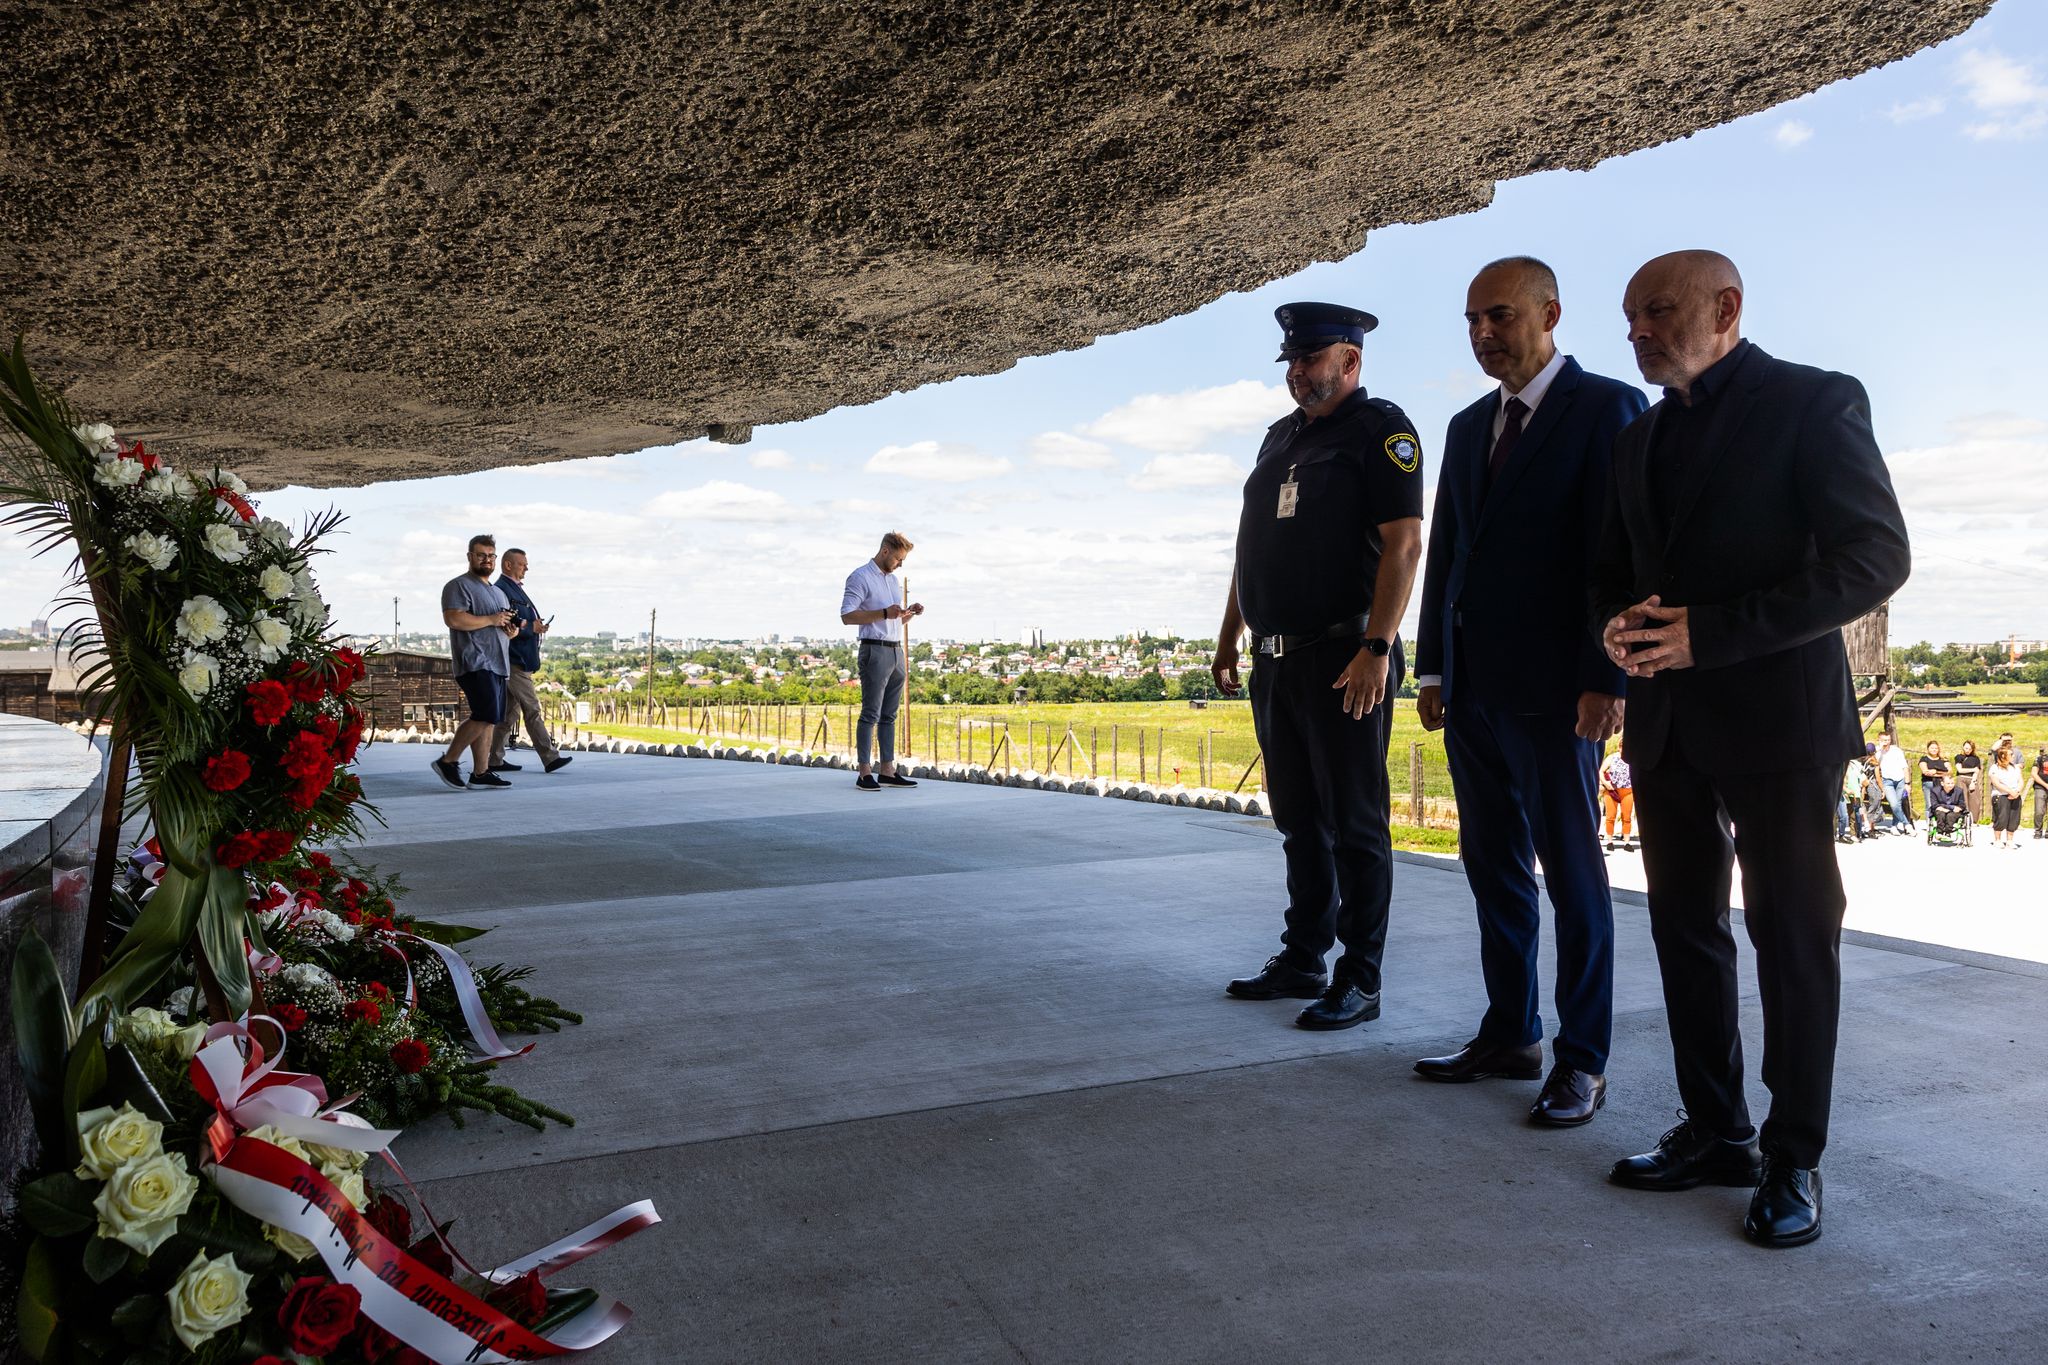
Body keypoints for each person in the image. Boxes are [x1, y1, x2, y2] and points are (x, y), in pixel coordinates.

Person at [1590, 250, 1910, 1249]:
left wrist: (1711, 634)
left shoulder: (1814, 402)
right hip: (1666, 726)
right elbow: (1616, 570)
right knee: (1683, 932)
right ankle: (1716, 1131)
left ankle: (1793, 1155)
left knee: (1793, 938)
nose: (1637, 332)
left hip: (1782, 723)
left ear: (1726, 307)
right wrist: (1614, 625)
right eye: (1629, 317)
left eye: (1657, 311)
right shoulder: (1637, 437)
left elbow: (1875, 558)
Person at [1411, 257, 1642, 1124]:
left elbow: (1621, 553)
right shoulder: (1468, 424)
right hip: (1472, 691)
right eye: (1472, 320)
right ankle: (1511, 1032)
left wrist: (1607, 676)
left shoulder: (1607, 407)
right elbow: (1449, 553)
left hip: (1559, 694)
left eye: (1500, 316)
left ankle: (1583, 1060)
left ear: (1550, 313)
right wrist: (1434, 667)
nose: (1482, 334)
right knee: (1494, 870)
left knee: (1574, 879)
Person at [1213, 301, 1424, 1031]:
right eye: (1292, 361)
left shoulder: (1382, 431)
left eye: (1310, 358)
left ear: (1350, 360)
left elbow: (1404, 545)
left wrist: (1377, 647)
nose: (1297, 371)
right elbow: (1250, 549)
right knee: (1299, 821)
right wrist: (1229, 635)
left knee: (1356, 825)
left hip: (1346, 659)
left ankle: (1359, 978)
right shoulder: (1280, 437)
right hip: (1275, 660)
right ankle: (1303, 955)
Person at [839, 531, 923, 792]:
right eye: (898, 559)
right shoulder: (860, 577)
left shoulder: (894, 581)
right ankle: (864, 773)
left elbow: (892, 620)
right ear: (885, 551)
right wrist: (885, 612)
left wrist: (909, 613)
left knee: (889, 715)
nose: (900, 564)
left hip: (897, 651)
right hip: (874, 651)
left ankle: (887, 771)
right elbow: (847, 616)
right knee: (870, 714)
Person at [433, 535, 519, 791]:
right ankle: (448, 761)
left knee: (490, 719)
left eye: (491, 556)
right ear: (470, 556)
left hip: (498, 663)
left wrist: (510, 631)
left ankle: (480, 773)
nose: (486, 560)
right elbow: (454, 619)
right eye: (481, 555)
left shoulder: (499, 593)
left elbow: (498, 625)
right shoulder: (458, 586)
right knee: (486, 714)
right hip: (474, 661)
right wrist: (491, 619)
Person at [487, 549, 572, 777]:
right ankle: (550, 757)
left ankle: (493, 759)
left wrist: (535, 626)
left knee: (509, 715)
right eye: (522, 564)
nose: (526, 567)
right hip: (514, 661)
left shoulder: (512, 589)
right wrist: (530, 627)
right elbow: (504, 622)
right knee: (532, 709)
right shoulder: (501, 590)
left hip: (518, 660)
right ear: (508, 565)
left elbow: (518, 620)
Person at [1987, 741, 2024, 849]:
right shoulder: (1995, 768)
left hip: (2015, 795)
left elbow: (2021, 781)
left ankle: (2010, 840)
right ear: (2003, 756)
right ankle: (1997, 840)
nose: (2013, 756)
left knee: (2014, 818)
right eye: (2010, 754)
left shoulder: (2015, 768)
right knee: (2001, 818)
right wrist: (2010, 791)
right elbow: (1996, 783)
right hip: (2001, 795)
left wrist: (2017, 792)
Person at [1602, 748, 1638, 853]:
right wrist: (1605, 783)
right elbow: (1600, 771)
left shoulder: (1632, 758)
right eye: (1621, 746)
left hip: (1628, 790)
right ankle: (1609, 841)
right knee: (1610, 816)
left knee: (1627, 817)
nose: (1623, 749)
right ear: (1619, 747)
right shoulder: (1612, 757)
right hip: (1612, 790)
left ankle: (1627, 842)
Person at [1876, 735, 1913, 834]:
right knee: (1894, 804)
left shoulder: (1896, 751)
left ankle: (1894, 826)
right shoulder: (1878, 752)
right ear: (1879, 740)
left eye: (1888, 740)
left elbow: (1904, 767)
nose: (1887, 742)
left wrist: (1907, 783)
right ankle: (1907, 824)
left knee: (1898, 804)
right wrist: (1881, 749)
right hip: (1887, 781)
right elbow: (1875, 764)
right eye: (1884, 740)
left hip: (1900, 779)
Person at [1954, 739, 1983, 828]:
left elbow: (1977, 771)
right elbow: (1960, 770)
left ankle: (1973, 820)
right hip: (1961, 778)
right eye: (1966, 748)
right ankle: (1962, 820)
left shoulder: (1976, 759)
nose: (1967, 750)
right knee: (1963, 799)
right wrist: (1972, 769)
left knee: (1975, 801)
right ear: (1963, 747)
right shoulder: (1959, 757)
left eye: (1969, 749)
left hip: (1971, 779)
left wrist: (1973, 782)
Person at [1917, 740, 1947, 823]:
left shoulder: (1943, 759)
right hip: (1928, 783)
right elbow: (1925, 772)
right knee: (1929, 804)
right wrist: (1941, 773)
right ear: (1928, 749)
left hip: (1941, 784)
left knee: (1941, 803)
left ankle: (1941, 822)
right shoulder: (1924, 759)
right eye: (1932, 748)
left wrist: (1935, 772)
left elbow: (1949, 772)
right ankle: (1929, 823)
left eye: (1936, 748)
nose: (1934, 750)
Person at [2032, 745, 2048, 840]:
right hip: (2040, 787)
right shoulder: (2039, 759)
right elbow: (2034, 774)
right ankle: (2038, 830)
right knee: (2039, 810)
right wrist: (2045, 785)